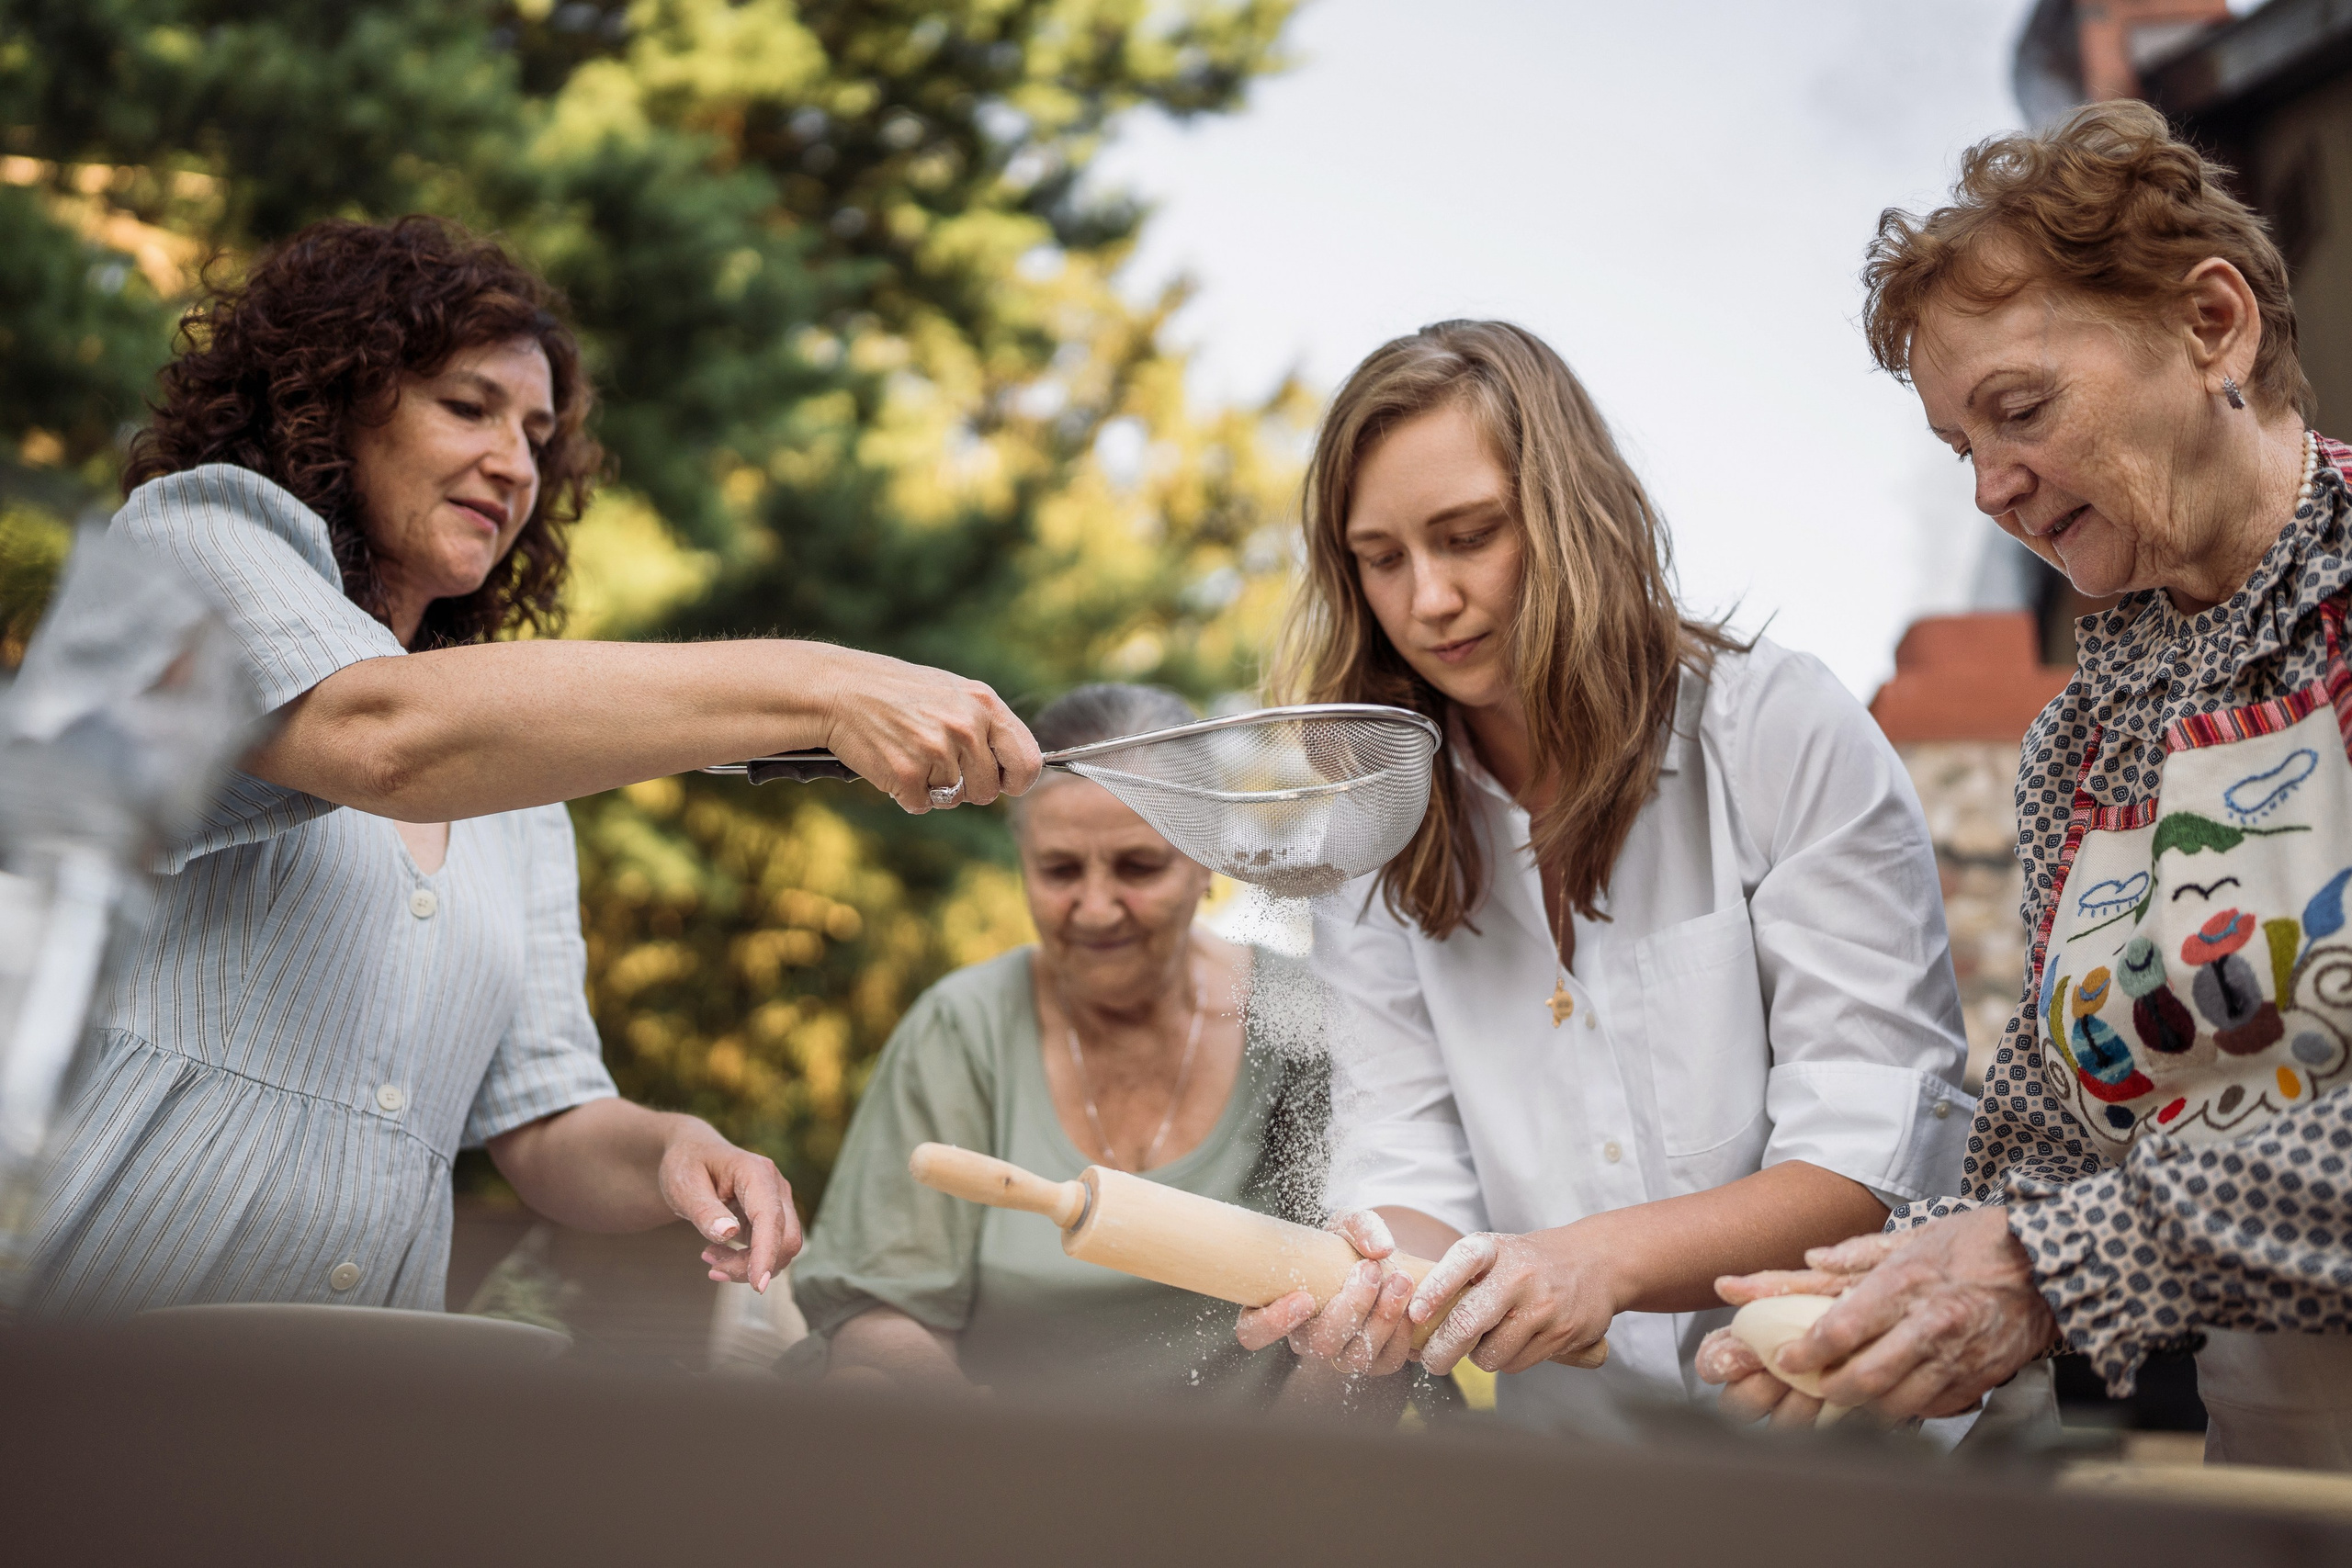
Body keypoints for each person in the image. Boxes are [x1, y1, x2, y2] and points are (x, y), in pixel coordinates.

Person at [25, 215, 1041, 1317]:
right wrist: (822, 684)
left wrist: (674, 1151)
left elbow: (547, 1123)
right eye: (467, 407)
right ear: (329, 402)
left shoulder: (512, 778)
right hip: (74, 1362)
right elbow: (385, 738)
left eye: (538, 436)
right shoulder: (188, 541)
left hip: (337, 1422)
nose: (514, 464)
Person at [1701, 101, 2352, 1469]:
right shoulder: (2084, 744)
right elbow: (2047, 1145)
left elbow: (2051, 1241)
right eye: (1962, 448)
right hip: (2274, 1481)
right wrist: (1875, 1290)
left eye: (2021, 410)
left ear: (2213, 325)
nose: (1994, 486)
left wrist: (2043, 1263)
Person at [1229, 320, 1973, 1433]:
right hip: (1582, 1482)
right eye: (1381, 559)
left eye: (1468, 536)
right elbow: (1406, 1157)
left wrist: (1593, 1262)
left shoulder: (1777, 731)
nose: (1427, 599)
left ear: (1567, 515)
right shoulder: (1374, 830)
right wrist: (1379, 1289)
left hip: (1866, 1449)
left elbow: (1867, 1148)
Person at [789, 684, 1335, 1403]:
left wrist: (1275, 1494)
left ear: (1208, 860)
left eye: (1140, 866)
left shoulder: (1302, 1023)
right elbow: (879, 1310)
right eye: (1060, 870)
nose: (1098, 906)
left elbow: (1371, 1315)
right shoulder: (964, 1027)